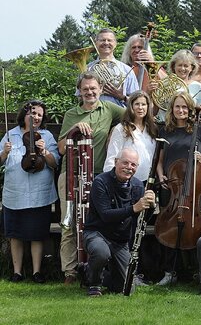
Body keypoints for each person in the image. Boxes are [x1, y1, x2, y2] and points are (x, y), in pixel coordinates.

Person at [58, 73, 125, 284]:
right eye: (85, 89)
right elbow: (61, 149)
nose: (89, 92)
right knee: (69, 224)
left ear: (101, 89)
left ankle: (96, 269)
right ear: (79, 91)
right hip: (71, 175)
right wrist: (74, 129)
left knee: (97, 223)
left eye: (93, 88)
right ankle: (70, 272)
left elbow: (134, 116)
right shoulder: (71, 114)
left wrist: (115, 132)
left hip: (98, 176)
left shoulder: (109, 109)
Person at [155, 92, 201, 286]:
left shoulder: (200, 129)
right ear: (172, 109)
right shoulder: (165, 130)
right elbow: (160, 161)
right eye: (177, 107)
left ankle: (195, 270)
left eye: (184, 107)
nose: (181, 110)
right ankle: (169, 271)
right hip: (172, 186)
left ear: (190, 110)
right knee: (168, 225)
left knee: (194, 226)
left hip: (193, 188)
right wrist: (161, 176)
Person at [83, 148, 155, 296]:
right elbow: (106, 215)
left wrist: (151, 206)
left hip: (120, 241)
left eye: (133, 165)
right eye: (125, 163)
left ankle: (86, 271)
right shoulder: (100, 182)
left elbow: (141, 219)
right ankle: (94, 284)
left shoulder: (137, 186)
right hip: (97, 233)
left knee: (124, 287)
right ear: (116, 162)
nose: (129, 167)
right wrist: (134, 208)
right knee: (101, 252)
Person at [1, 100, 59, 283]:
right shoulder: (11, 134)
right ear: (24, 115)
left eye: (39, 114)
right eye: (32, 113)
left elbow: (54, 163)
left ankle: (37, 272)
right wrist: (5, 153)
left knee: (37, 234)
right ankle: (17, 272)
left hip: (39, 194)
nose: (36, 117)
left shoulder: (47, 136)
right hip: (15, 192)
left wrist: (45, 152)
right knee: (15, 234)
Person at [105, 91, 157, 182]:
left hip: (148, 181)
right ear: (131, 106)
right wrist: (111, 182)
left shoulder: (152, 129)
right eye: (137, 104)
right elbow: (112, 157)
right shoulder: (121, 128)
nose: (140, 107)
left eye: (143, 104)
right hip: (127, 181)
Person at [84, 28, 140, 106]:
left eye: (109, 40)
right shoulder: (87, 69)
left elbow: (137, 101)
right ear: (96, 43)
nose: (106, 43)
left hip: (119, 113)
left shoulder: (127, 70)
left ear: (115, 44)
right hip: (94, 113)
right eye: (102, 40)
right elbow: (80, 97)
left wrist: (122, 97)